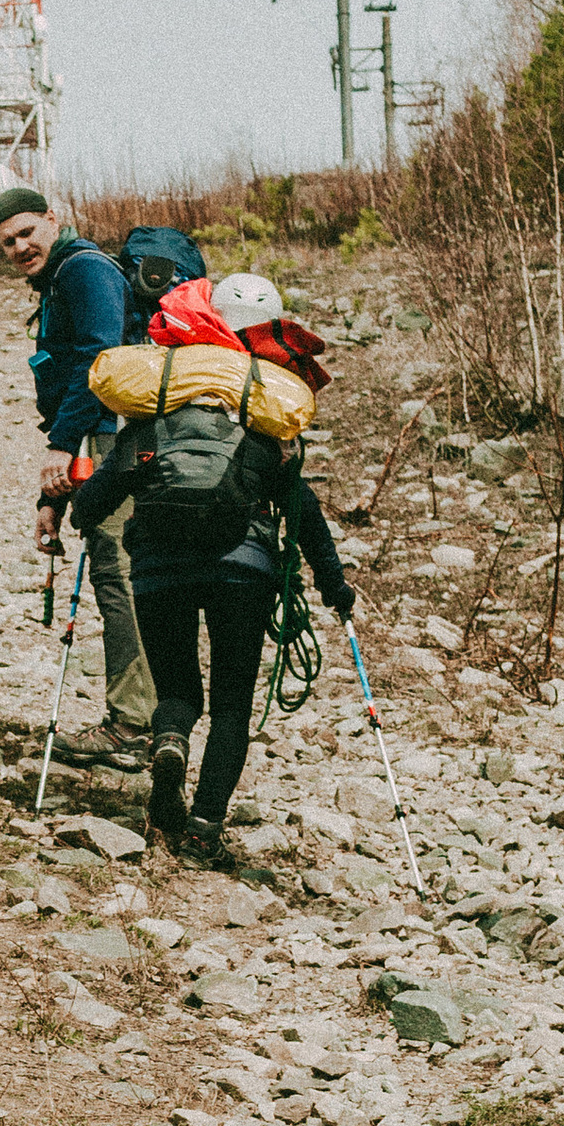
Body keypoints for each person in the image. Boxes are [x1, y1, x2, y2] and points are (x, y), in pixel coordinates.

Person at [67, 266, 354, 863]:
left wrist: (76, 509)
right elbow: (304, 512)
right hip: (241, 570)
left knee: (177, 688)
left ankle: (169, 741)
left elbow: (91, 508)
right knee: (230, 704)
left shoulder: (154, 409)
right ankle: (202, 828)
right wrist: (335, 589)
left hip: (157, 566)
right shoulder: (267, 416)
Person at [0, 180, 156, 770]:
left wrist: (61, 446)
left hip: (117, 440)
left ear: (53, 219)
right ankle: (147, 721)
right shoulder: (61, 279)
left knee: (118, 572)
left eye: (27, 233)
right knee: (118, 572)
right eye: (7, 242)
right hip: (101, 440)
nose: (19, 248)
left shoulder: (83, 271)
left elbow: (97, 359)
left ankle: (135, 725)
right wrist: (50, 497)